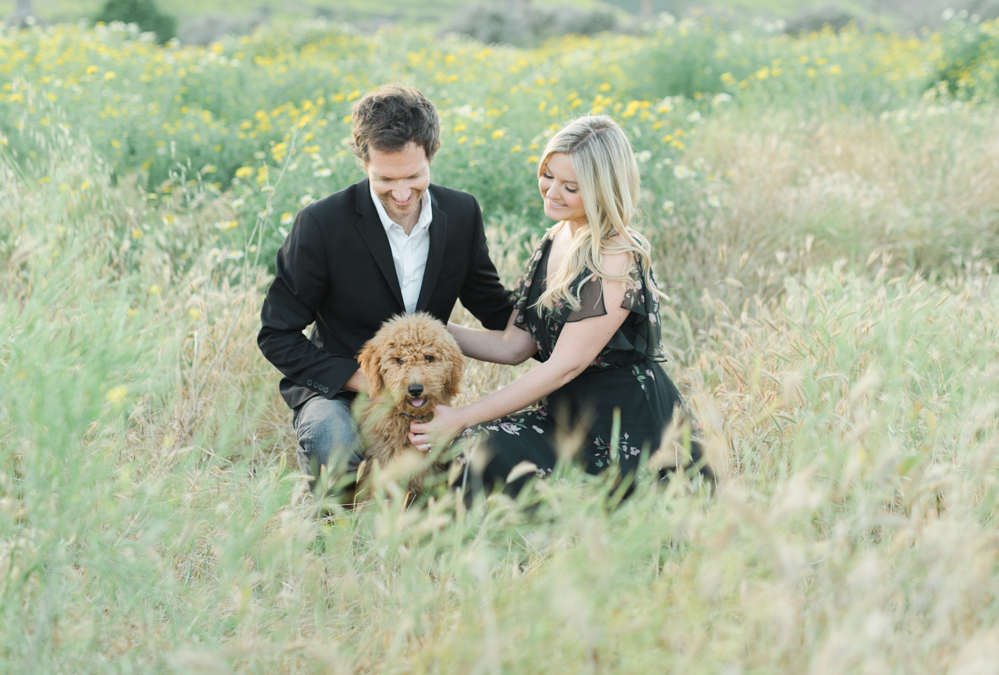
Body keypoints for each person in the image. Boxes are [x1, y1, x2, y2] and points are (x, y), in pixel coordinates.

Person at [410, 114, 697, 495]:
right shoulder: (556, 237)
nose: (552, 192)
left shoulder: (615, 255)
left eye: (571, 186)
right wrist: (425, 327)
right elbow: (514, 346)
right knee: (468, 450)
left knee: (478, 448)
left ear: (602, 189)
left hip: (622, 429)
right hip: (563, 415)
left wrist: (462, 417)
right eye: (548, 175)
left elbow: (565, 365)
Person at [258, 84, 514, 483]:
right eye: (384, 179)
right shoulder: (321, 224)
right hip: (341, 392)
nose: (400, 193)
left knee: (475, 468)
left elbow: (495, 306)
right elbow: (277, 334)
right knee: (332, 439)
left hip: (425, 391)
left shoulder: (462, 213)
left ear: (433, 152)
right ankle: (338, 530)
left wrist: (566, 306)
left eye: (414, 176)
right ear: (363, 162)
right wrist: (368, 383)